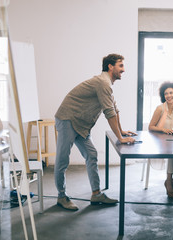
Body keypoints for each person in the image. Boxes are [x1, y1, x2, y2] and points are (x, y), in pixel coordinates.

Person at [54, 53, 136, 211]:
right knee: (62, 160)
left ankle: (96, 194)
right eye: (121, 65)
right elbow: (109, 113)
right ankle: (61, 196)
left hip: (81, 124)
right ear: (110, 66)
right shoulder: (102, 83)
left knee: (91, 155)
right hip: (68, 119)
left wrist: (122, 131)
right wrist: (120, 138)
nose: (123, 70)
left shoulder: (107, 85)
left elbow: (115, 110)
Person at [149, 82, 173, 199]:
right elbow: (151, 126)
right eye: (166, 93)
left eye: (171, 93)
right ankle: (169, 180)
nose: (168, 95)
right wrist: (163, 129)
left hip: (172, 138)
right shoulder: (159, 109)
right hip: (159, 140)